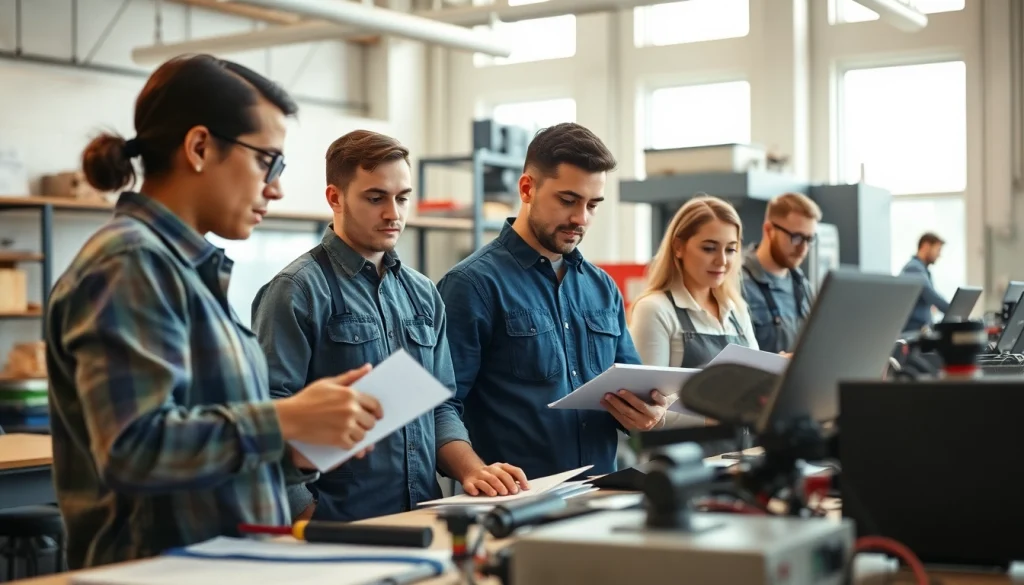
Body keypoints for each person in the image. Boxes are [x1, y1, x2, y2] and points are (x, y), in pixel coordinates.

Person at [45, 55, 382, 569]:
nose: (276, 187)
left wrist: (292, 446)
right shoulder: (130, 263)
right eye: (267, 160)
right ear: (200, 147)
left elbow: (208, 444)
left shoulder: (184, 270)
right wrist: (284, 418)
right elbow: (132, 448)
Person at [251, 130, 527, 522]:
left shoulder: (423, 293)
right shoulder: (296, 291)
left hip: (421, 515)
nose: (393, 213)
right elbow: (273, 415)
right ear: (335, 198)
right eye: (375, 197)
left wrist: (472, 470)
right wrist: (305, 513)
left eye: (402, 198)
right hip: (337, 523)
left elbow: (440, 405)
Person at [437, 122, 667, 481]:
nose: (581, 218)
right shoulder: (471, 285)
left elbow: (634, 392)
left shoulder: (601, 287)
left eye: (593, 205)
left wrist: (647, 416)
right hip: (514, 503)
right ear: (527, 188)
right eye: (568, 200)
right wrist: (475, 471)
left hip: (598, 496)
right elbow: (440, 406)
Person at [627, 196, 758, 428]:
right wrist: (711, 415)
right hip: (681, 457)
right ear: (678, 247)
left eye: (731, 249)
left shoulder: (736, 310)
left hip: (737, 453)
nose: (722, 260)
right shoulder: (655, 309)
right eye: (709, 248)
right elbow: (645, 410)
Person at [741, 192, 821, 353]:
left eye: (809, 239)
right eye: (796, 237)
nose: (803, 249)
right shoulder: (738, 282)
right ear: (769, 230)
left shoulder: (803, 286)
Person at [900, 232, 950, 332]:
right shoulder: (913, 268)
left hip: (921, 329)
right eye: (938, 249)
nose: (939, 255)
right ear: (926, 246)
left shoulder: (922, 270)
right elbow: (932, 296)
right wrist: (954, 310)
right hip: (913, 331)